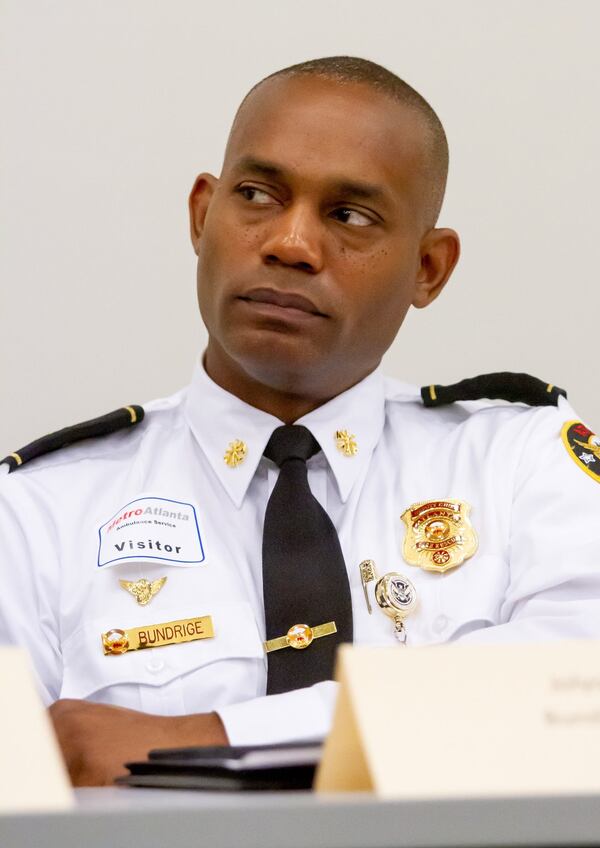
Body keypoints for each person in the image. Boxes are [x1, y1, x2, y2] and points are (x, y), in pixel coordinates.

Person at [1, 56, 599, 787]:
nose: (290, 244)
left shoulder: (518, 460)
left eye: (349, 216)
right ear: (201, 214)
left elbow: (580, 689)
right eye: (257, 195)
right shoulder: (37, 511)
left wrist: (212, 736)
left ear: (428, 269)